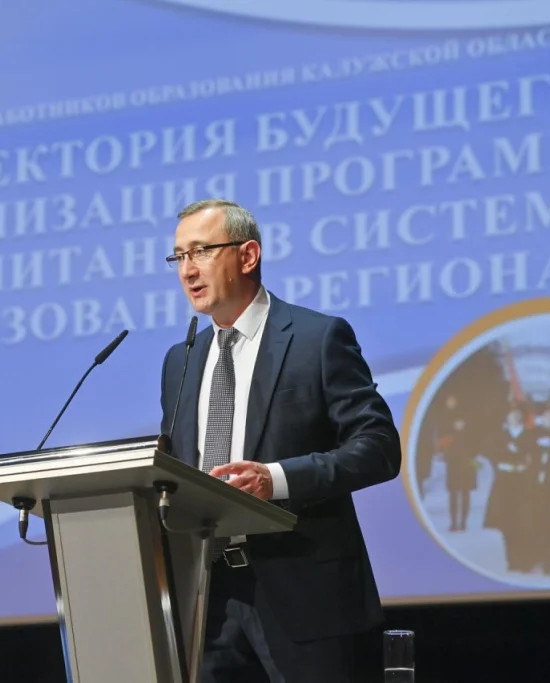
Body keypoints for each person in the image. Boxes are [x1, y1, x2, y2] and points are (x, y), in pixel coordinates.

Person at [159, 199, 401, 682]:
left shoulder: (316, 338)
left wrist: (276, 480)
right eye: (179, 256)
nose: (188, 270)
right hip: (206, 599)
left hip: (303, 592)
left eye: (202, 251)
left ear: (248, 256)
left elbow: (378, 446)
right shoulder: (179, 359)